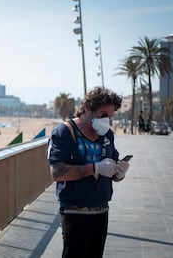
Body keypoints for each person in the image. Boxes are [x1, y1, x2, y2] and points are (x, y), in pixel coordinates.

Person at [47, 87, 130, 258]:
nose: (107, 121)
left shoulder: (107, 135)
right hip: (74, 213)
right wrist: (94, 168)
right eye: (103, 115)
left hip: (101, 211)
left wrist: (119, 173)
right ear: (86, 107)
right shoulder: (64, 132)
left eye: (110, 116)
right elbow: (57, 172)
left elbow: (112, 168)